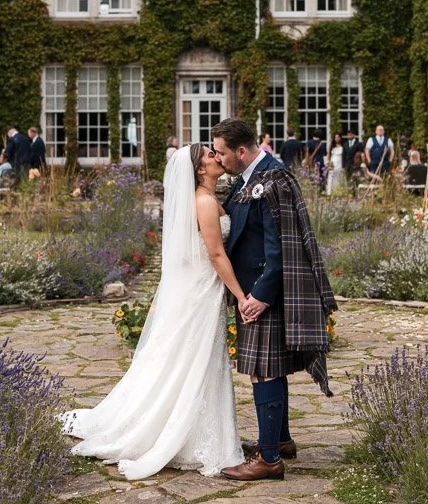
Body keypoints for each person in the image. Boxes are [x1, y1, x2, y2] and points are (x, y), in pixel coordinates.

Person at [62, 143, 250, 478]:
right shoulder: (205, 202)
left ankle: (198, 434)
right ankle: (184, 435)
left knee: (196, 362)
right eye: (210, 155)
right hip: (199, 293)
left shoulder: (209, 199)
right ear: (198, 169)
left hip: (198, 290)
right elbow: (216, 256)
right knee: (194, 361)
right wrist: (242, 295)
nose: (216, 157)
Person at [211, 117, 336, 481]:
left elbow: (283, 246)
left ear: (241, 151)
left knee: (262, 370)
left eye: (221, 153)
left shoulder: (272, 180)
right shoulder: (250, 179)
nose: (219, 159)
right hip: (256, 290)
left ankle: (268, 460)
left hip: (264, 293)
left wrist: (261, 296)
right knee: (269, 368)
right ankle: (279, 441)